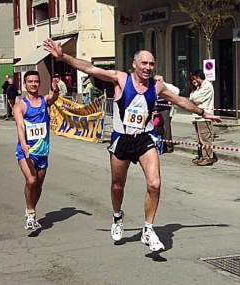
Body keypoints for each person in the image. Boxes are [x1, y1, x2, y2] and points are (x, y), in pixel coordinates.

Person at [43, 38, 222, 251]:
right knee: (118, 186)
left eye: (151, 64)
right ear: (134, 64)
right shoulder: (120, 79)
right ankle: (117, 217)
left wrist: (203, 113)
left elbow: (179, 100)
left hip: (145, 138)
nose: (148, 68)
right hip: (122, 139)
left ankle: (148, 229)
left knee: (155, 184)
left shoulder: (157, 86)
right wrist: (63, 57)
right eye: (144, 64)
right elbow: (90, 68)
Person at [13, 70, 61, 230]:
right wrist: (24, 143)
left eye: (36, 81)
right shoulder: (20, 105)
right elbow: (20, 126)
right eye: (30, 81)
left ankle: (31, 210)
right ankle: (30, 212)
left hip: (42, 150)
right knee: (31, 180)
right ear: (25, 84)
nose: (33, 84)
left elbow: (54, 98)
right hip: (26, 150)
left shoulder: (44, 100)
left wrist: (55, 89)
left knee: (38, 184)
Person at [189, 69, 216, 166]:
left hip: (204, 117)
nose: (193, 81)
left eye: (194, 79)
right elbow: (192, 97)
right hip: (197, 117)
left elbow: (195, 99)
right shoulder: (198, 88)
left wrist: (192, 98)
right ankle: (201, 156)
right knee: (199, 139)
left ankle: (207, 158)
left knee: (205, 138)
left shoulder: (207, 86)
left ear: (199, 77)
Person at [154, 75, 180, 153]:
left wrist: (169, 100)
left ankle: (168, 146)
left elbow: (176, 91)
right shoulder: (154, 86)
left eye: (158, 80)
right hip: (156, 107)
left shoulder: (168, 86)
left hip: (165, 108)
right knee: (157, 127)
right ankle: (159, 144)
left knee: (166, 127)